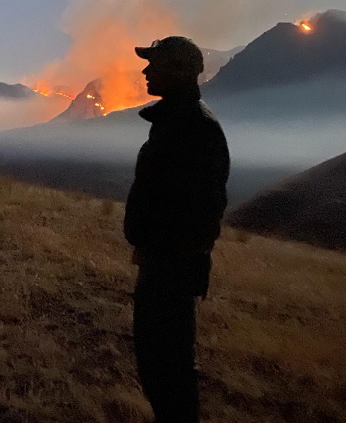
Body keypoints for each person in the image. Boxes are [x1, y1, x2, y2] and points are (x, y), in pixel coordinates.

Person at [124, 36, 230, 422]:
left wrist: (167, 254)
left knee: (168, 370)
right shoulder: (175, 122)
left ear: (181, 72)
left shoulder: (195, 129)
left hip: (171, 269)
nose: (146, 70)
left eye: (156, 64)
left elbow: (204, 210)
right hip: (162, 264)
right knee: (159, 367)